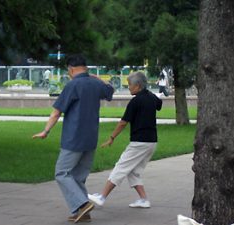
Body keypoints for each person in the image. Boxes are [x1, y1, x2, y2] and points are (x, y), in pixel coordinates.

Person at [32, 54, 114, 223]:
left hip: (74, 138)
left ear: (71, 68)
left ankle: (83, 204)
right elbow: (110, 91)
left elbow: (56, 112)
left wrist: (45, 131)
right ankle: (82, 213)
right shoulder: (95, 84)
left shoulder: (73, 85)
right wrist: (98, 78)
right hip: (91, 138)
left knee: (61, 173)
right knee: (78, 177)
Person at [88, 71, 162, 209]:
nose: (128, 87)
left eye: (130, 85)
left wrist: (111, 138)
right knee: (133, 171)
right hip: (151, 141)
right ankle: (144, 200)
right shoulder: (151, 97)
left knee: (121, 167)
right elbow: (159, 104)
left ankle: (102, 197)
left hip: (139, 142)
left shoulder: (135, 101)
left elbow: (123, 122)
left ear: (138, 86)